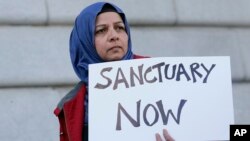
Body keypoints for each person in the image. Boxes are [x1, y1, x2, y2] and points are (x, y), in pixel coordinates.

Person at [54, 2, 174, 141]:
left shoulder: (159, 76)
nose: (114, 36)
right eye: (101, 30)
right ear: (85, 41)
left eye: (119, 28)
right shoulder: (72, 103)